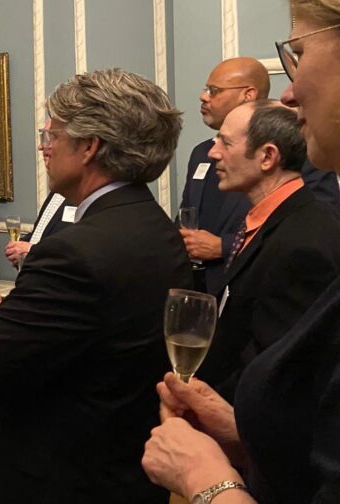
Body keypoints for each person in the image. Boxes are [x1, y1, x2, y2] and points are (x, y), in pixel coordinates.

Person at [0, 68, 192, 503]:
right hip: (125, 470)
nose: (44, 147)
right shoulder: (159, 228)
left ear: (89, 147)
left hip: (55, 476)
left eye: (52, 135)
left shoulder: (73, 254)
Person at [142, 2, 340, 502]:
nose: (288, 94)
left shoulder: (305, 239)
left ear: (268, 157)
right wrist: (237, 429)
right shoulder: (267, 220)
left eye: (298, 55)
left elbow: (295, 396)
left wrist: (207, 480)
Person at [194, 100, 340, 400]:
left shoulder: (303, 245)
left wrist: (206, 406)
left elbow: (280, 367)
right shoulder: (269, 219)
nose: (213, 152)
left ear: (267, 156)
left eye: (225, 142)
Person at [178, 57, 268, 296]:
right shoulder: (201, 152)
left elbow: (312, 225)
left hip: (249, 290)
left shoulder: (286, 150)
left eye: (214, 90)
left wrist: (224, 246)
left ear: (248, 95)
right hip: (197, 290)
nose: (203, 96)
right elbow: (186, 214)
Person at [4, 192, 73, 268]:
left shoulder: (79, 198)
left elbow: (72, 248)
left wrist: (32, 250)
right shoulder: (54, 194)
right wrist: (18, 246)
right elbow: (38, 233)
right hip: (34, 270)